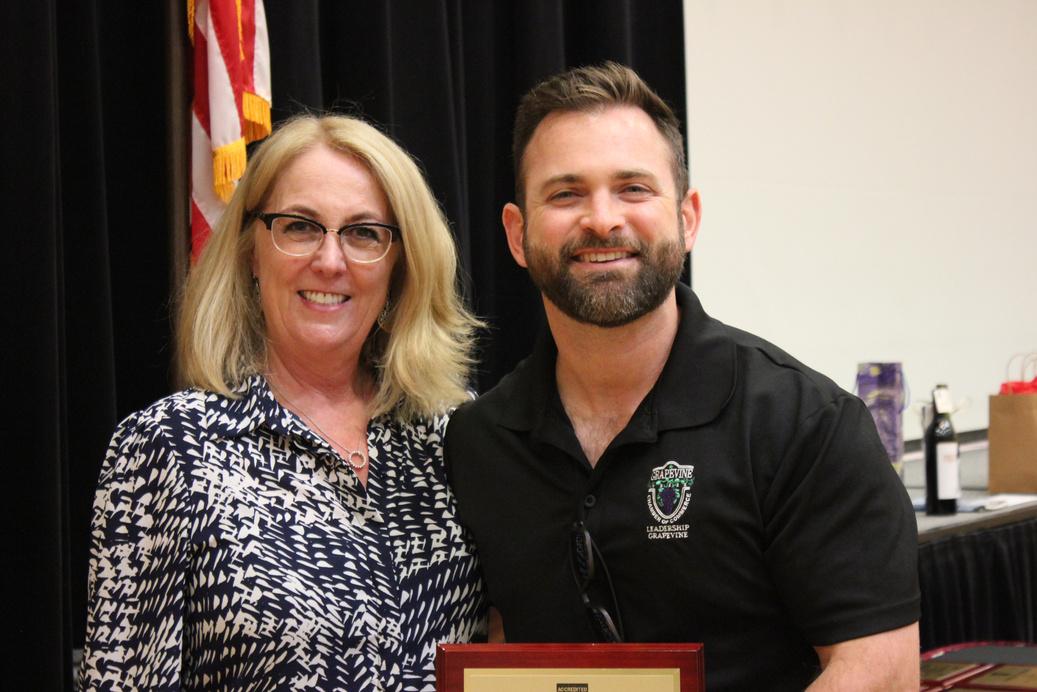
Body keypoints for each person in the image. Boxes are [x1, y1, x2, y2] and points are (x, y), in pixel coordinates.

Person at [445, 63, 920, 691]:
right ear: (517, 233)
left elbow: (880, 671)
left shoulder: (805, 425)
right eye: (565, 194)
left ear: (687, 218)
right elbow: (497, 641)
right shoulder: (477, 442)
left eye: (633, 188)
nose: (602, 219)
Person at [79, 114, 486, 690]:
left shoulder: (459, 436)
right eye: (299, 227)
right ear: (251, 252)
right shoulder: (169, 448)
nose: (330, 261)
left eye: (364, 233)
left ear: (400, 265)